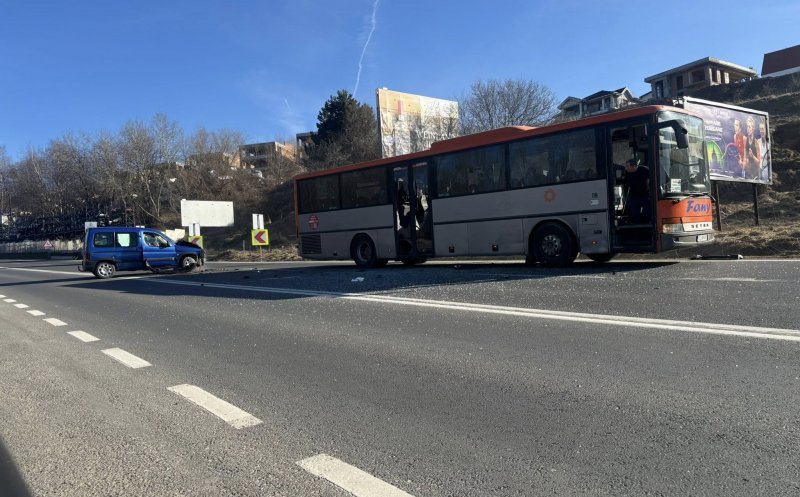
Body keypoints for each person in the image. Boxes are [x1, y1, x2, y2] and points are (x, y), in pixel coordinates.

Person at [623, 159, 651, 223]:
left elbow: (653, 179)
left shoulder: (645, 170)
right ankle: (636, 226)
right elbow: (625, 182)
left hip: (645, 195)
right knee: (634, 214)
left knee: (647, 212)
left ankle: (646, 225)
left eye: (627, 166)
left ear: (634, 166)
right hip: (633, 196)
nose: (626, 168)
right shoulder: (627, 173)